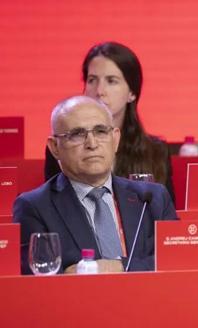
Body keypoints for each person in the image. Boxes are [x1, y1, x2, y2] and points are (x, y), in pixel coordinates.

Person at [14, 96, 177, 274]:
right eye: (76, 134)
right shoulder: (35, 207)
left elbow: (178, 259)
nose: (92, 144)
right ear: (55, 147)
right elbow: (39, 278)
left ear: (115, 139)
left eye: (100, 132)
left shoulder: (153, 198)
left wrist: (118, 267)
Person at [44, 42, 175, 201]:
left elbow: (166, 219)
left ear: (132, 92)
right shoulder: (65, 145)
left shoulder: (156, 151)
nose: (99, 91)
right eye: (92, 80)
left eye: (111, 81)